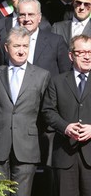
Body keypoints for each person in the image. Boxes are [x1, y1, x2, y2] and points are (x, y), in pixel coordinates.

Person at [0, 26, 50, 196]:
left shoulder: (42, 76)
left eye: (25, 46)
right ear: (6, 48)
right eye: (16, 46)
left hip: (27, 147)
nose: (21, 51)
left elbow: (45, 113)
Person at [42, 34, 91, 196]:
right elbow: (47, 111)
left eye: (90, 52)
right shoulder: (56, 81)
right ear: (71, 55)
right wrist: (66, 127)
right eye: (81, 52)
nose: (87, 56)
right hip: (64, 155)